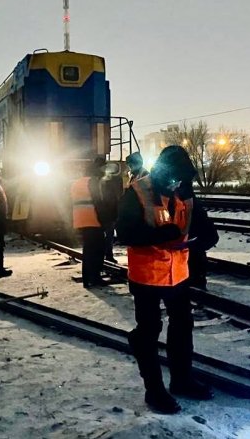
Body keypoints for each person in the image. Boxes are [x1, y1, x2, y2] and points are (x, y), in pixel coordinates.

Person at [116, 145, 213, 414]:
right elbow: (124, 233)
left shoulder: (185, 191)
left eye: (181, 180)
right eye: (172, 179)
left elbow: (199, 225)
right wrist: (157, 236)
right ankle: (154, 391)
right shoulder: (138, 192)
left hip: (178, 275)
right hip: (147, 276)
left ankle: (182, 380)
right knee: (148, 332)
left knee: (182, 327)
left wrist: (204, 239)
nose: (176, 185)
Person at [71, 157, 108, 288]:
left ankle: (87, 279)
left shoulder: (78, 182)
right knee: (97, 250)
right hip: (93, 219)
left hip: (81, 219)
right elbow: (98, 203)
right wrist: (103, 220)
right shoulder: (93, 182)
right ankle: (95, 277)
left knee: (88, 250)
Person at [178, 181, 219, 290]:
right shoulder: (188, 198)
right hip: (197, 240)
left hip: (191, 257)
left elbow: (210, 236)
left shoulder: (184, 199)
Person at [100, 163, 124, 264]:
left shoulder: (102, 180)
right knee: (109, 234)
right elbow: (119, 195)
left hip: (105, 210)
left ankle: (105, 255)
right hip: (111, 210)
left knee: (105, 234)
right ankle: (108, 255)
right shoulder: (117, 180)